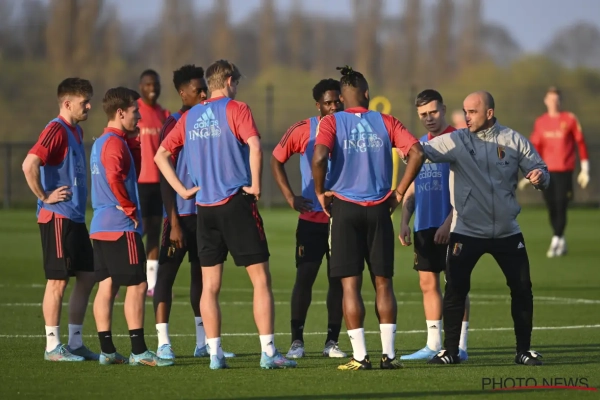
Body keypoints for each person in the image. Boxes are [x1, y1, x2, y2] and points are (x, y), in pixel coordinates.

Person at [155, 59, 297, 370]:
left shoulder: (190, 116)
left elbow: (160, 155)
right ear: (230, 81)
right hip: (235, 203)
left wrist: (182, 190)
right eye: (237, 83)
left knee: (210, 286)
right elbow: (255, 146)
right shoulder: (237, 109)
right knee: (261, 280)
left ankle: (214, 354)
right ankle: (268, 352)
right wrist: (256, 185)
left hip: (204, 209)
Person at [422, 91, 549, 366]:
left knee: (522, 289)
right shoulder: (456, 140)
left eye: (472, 112)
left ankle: (523, 351)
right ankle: (451, 352)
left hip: (507, 231)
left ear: (489, 113)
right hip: (466, 231)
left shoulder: (513, 140)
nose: (466, 117)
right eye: (465, 111)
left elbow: (540, 168)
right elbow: (421, 151)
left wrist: (540, 177)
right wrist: (399, 144)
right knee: (455, 289)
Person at [312, 66, 425, 370]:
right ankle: (389, 356)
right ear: (366, 93)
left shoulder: (331, 121)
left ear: (342, 97)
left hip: (345, 209)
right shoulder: (386, 121)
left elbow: (319, 157)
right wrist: (398, 192)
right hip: (379, 209)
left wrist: (320, 191)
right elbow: (417, 152)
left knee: (350, 285)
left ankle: (360, 357)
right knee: (383, 283)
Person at [153, 64, 235, 360]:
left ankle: (204, 343)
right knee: (166, 277)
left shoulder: (207, 119)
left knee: (201, 280)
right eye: (197, 90)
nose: (203, 94)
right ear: (181, 93)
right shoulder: (174, 123)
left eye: (204, 89)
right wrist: (173, 220)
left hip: (205, 214)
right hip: (180, 216)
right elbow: (164, 176)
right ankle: (163, 343)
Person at [90, 87, 173, 367]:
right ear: (120, 112)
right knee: (138, 284)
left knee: (107, 286)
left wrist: (135, 143)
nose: (139, 116)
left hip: (100, 225)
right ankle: (139, 350)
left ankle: (107, 351)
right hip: (120, 226)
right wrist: (128, 207)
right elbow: (114, 177)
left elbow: (127, 171)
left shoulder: (102, 142)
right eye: (135, 111)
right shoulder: (114, 143)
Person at [22, 78, 98, 362]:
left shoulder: (76, 131)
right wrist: (45, 196)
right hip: (57, 216)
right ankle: (52, 346)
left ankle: (75, 343)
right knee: (58, 282)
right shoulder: (56, 129)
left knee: (88, 276)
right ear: (67, 103)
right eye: (84, 102)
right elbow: (29, 164)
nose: (88, 107)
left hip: (75, 217)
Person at [271, 78, 346, 359]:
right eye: (328, 103)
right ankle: (297, 342)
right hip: (311, 220)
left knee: (338, 281)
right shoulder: (303, 129)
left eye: (338, 101)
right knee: (305, 278)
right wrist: (290, 197)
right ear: (318, 105)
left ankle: (331, 342)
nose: (334, 106)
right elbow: (276, 159)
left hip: (342, 219)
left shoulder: (350, 128)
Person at [398, 89, 469, 361]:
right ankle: (433, 344)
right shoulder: (418, 146)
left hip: (454, 226)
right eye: (423, 114)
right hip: (424, 225)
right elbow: (412, 188)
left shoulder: (459, 141)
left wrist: (448, 222)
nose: (429, 118)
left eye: (433, 112)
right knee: (427, 284)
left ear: (444, 109)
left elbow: (467, 189)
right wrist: (404, 221)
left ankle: (460, 346)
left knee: (456, 285)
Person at [518, 86, 590, 258]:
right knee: (551, 205)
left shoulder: (569, 119)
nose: (554, 103)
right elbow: (535, 148)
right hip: (546, 172)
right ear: (546, 101)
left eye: (556, 99)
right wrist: (529, 173)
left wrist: (585, 169)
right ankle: (560, 238)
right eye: (551, 99)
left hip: (565, 170)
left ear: (561, 101)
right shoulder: (541, 122)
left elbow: (580, 142)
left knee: (561, 203)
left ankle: (556, 239)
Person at [137, 69, 171, 296]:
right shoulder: (134, 111)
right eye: (148, 84)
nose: (152, 88)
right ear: (141, 86)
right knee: (136, 230)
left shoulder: (164, 114)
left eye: (156, 84)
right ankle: (115, 276)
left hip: (159, 182)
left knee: (155, 231)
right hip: (139, 182)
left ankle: (151, 284)